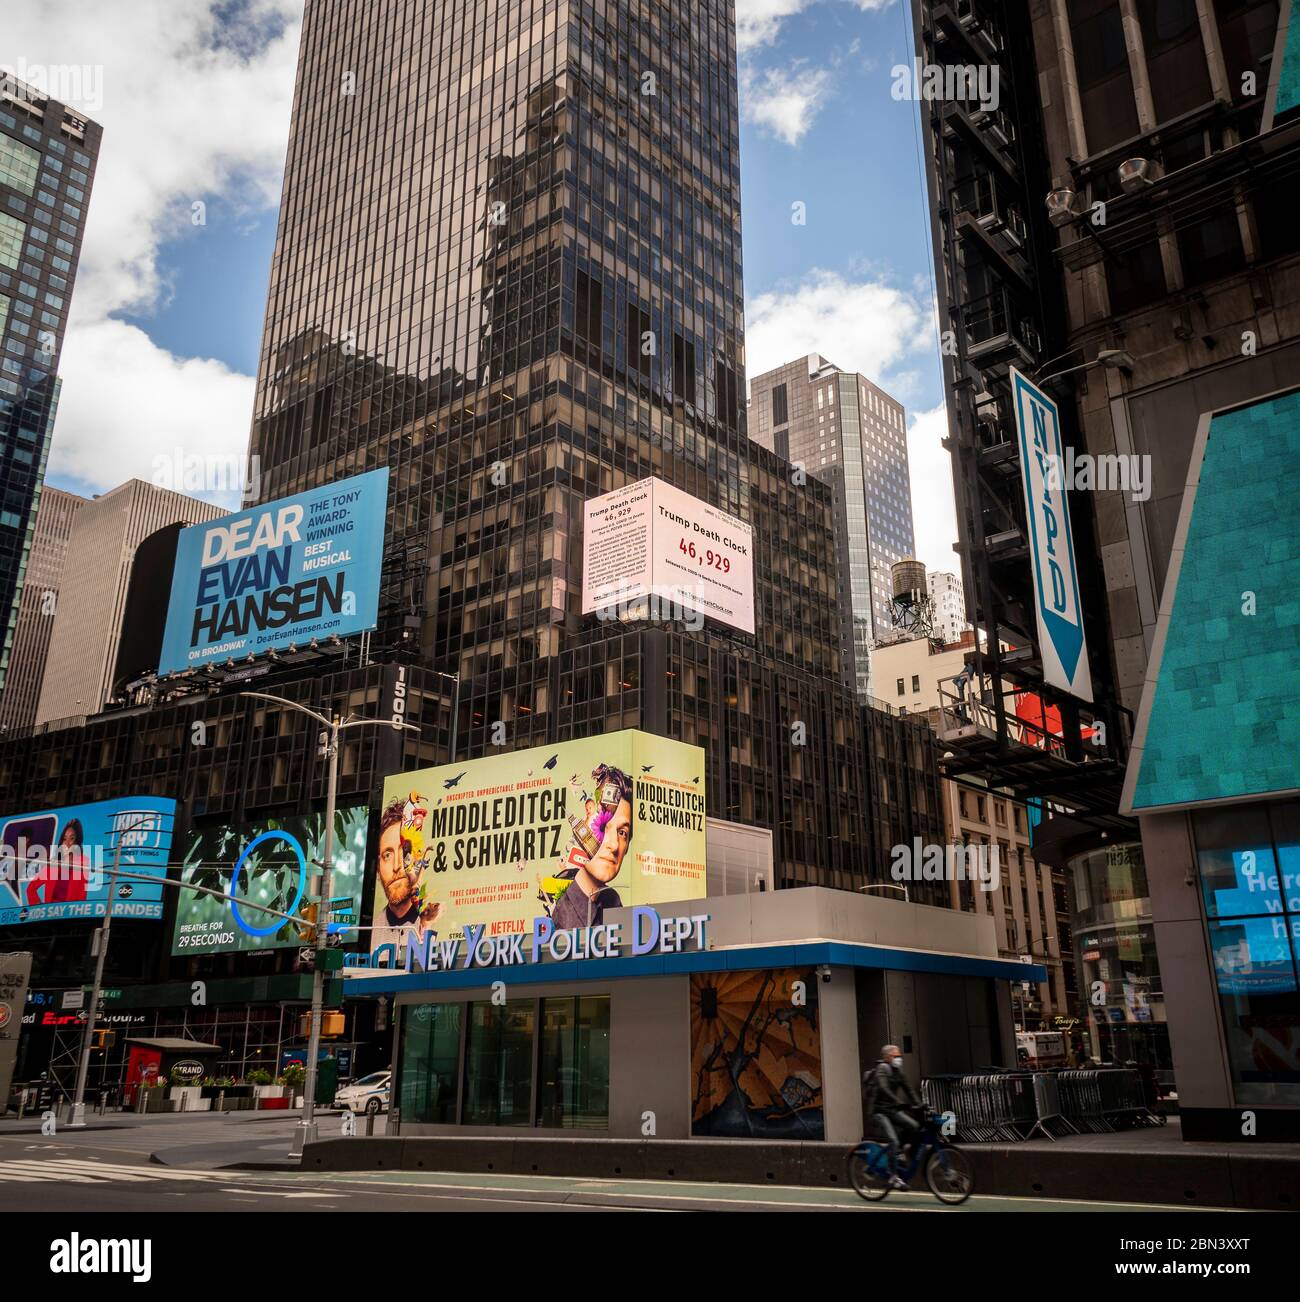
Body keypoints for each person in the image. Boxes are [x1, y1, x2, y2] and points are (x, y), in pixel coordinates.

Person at [549, 766, 633, 930]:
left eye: (622, 832)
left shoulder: (612, 903)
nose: (614, 845)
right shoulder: (560, 907)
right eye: (604, 827)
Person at [372, 798, 442, 952]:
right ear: (378, 867)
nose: (397, 866)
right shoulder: (369, 930)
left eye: (404, 852)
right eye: (388, 855)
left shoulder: (436, 922)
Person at [864, 1044, 924, 1189]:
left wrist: (921, 1104)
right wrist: (899, 1102)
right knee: (893, 1140)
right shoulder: (881, 1069)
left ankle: (899, 1153)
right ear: (887, 1057)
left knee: (914, 1127)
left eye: (899, 1056)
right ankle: (892, 1177)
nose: (899, 1059)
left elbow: (909, 1090)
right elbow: (884, 1089)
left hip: (891, 1110)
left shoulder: (898, 1072)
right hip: (878, 1112)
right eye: (896, 1056)